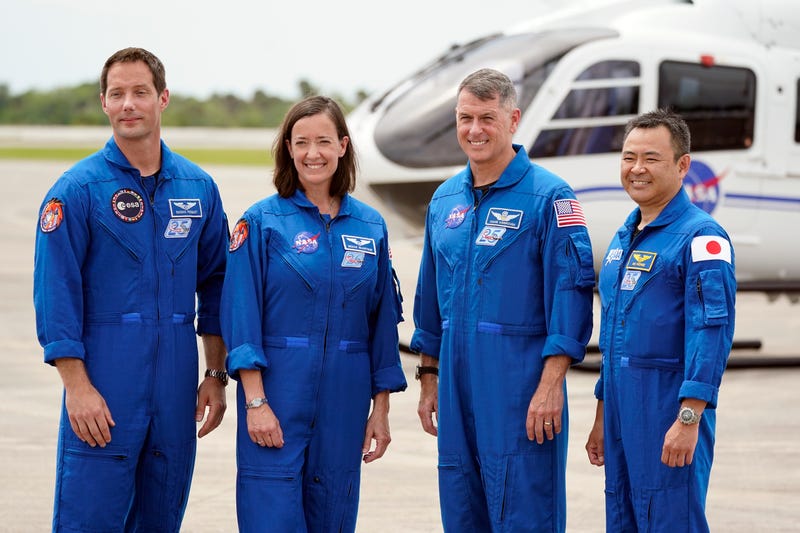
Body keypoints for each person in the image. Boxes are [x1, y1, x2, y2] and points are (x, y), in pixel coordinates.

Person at [33, 47, 230, 532]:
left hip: (176, 385)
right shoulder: (76, 190)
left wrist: (216, 374)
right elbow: (55, 294)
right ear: (103, 102)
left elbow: (219, 285)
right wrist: (77, 389)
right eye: (117, 94)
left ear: (162, 99)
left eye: (140, 92)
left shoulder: (197, 187)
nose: (129, 104)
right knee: (90, 518)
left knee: (161, 519)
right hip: (105, 381)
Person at [411, 68, 595, 532]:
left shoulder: (550, 197)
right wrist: (429, 377)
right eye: (465, 118)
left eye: (487, 118)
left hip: (520, 385)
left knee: (524, 505)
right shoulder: (444, 200)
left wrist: (552, 383)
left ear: (513, 119)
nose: (475, 130)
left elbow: (570, 296)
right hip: (454, 383)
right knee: (461, 502)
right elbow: (430, 300)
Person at [220, 95, 407, 533]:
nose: (313, 153)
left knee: (334, 516)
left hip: (345, 399)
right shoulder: (261, 221)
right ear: (288, 147)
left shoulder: (369, 226)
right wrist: (256, 401)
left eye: (324, 141)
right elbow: (240, 317)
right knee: (271, 517)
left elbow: (381, 326)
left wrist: (380, 410)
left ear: (343, 146)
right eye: (301, 142)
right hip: (278, 395)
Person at [585, 109, 736, 532]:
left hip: (668, 411)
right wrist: (602, 414)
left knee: (671, 520)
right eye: (628, 157)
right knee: (624, 517)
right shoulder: (623, 238)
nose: (637, 169)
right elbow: (613, 336)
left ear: (682, 165)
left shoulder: (702, 238)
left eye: (651, 158)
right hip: (620, 413)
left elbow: (712, 332)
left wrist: (689, 418)